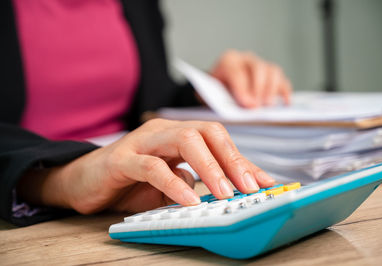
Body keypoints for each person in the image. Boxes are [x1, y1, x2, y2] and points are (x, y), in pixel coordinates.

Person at [0, 0, 292, 226]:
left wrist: (211, 90)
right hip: (39, 208)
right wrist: (61, 178)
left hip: (130, 192)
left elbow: (149, 99)